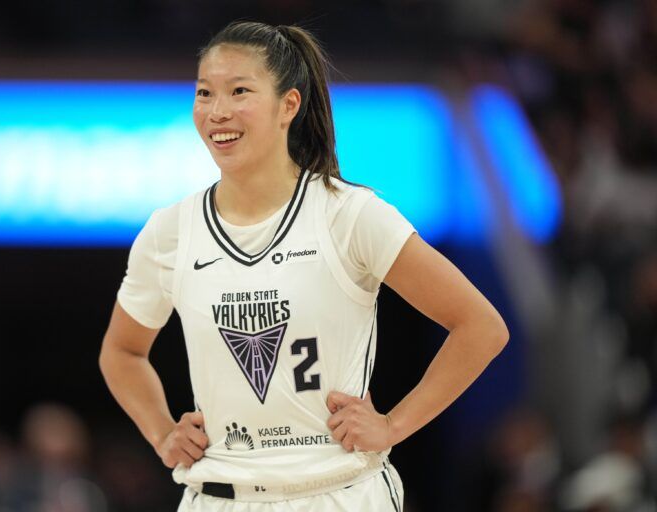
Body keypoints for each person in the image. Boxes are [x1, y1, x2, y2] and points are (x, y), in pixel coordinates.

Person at [99, 20, 510, 511]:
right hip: (219, 496)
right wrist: (163, 432)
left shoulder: (349, 215)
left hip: (336, 494)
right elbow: (121, 352)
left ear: (288, 105)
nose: (218, 111)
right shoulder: (170, 231)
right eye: (205, 93)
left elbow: (481, 326)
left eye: (239, 91)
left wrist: (393, 425)